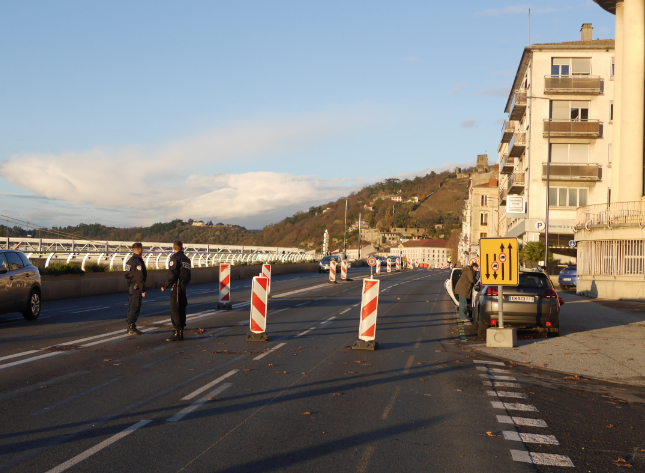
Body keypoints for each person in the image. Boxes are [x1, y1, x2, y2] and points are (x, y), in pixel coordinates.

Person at [161, 240, 192, 341]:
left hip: (176, 286)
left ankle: (177, 332)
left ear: (174, 248)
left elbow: (172, 273)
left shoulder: (175, 258)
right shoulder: (187, 259)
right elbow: (189, 275)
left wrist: (165, 285)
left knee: (175, 308)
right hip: (183, 286)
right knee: (182, 308)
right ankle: (181, 330)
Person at [124, 242, 147, 335]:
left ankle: (131, 326)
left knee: (131, 306)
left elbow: (126, 274)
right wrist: (143, 290)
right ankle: (131, 327)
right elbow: (139, 277)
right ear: (140, 250)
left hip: (131, 286)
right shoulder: (137, 261)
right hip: (136, 287)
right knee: (135, 306)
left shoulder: (130, 260)